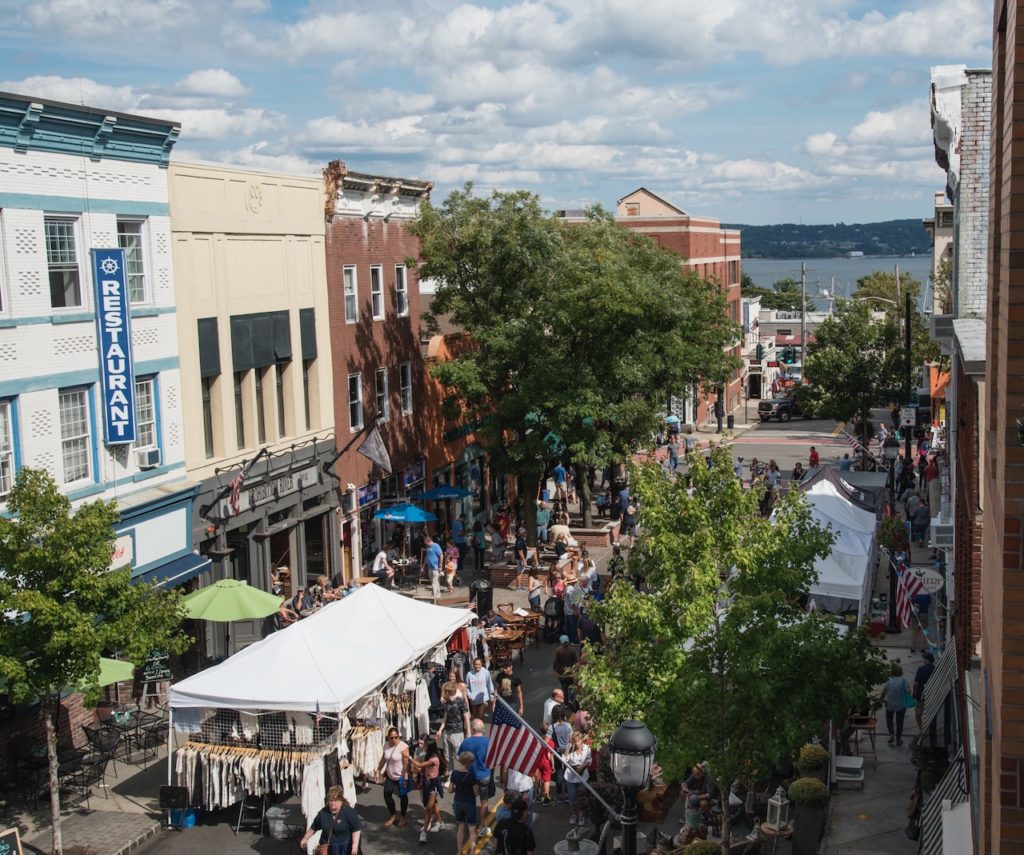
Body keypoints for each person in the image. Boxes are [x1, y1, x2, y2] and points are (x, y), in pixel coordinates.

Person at [299, 785, 363, 855]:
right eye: (331, 800)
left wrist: (355, 845)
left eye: (336, 800)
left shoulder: (348, 812)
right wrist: (305, 838)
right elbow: (314, 827)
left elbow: (356, 828)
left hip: (344, 848)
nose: (333, 804)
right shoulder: (323, 813)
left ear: (341, 800)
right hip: (327, 848)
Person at [459, 719, 493, 840]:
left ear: (473, 729)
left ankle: (471, 823)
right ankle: (482, 825)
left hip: (469, 776)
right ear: (482, 729)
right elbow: (492, 758)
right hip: (484, 776)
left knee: (470, 800)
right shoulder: (487, 742)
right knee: (484, 802)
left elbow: (460, 757)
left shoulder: (466, 742)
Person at [410, 738, 445, 842]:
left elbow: (420, 765)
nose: (423, 746)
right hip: (426, 783)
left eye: (425, 745)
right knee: (433, 804)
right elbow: (422, 768)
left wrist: (409, 758)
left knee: (429, 808)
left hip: (433, 784)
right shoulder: (428, 756)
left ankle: (424, 832)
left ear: (429, 747)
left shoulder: (434, 759)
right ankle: (440, 822)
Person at [375, 726, 410, 828]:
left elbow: (406, 764)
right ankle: (393, 815)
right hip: (390, 775)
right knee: (387, 794)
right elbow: (384, 759)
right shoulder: (386, 745)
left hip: (401, 775)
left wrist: (406, 778)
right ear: (388, 737)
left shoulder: (403, 747)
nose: (394, 739)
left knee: (403, 797)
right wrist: (378, 770)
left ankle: (403, 817)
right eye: (392, 738)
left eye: (396, 737)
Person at [436, 681, 471, 774]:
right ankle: (452, 777)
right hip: (447, 732)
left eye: (444, 692)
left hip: (457, 732)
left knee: (458, 756)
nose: (443, 695)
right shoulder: (447, 702)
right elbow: (445, 718)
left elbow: (466, 717)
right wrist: (440, 730)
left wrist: (468, 732)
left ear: (448, 692)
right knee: (447, 756)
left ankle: (465, 773)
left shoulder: (460, 701)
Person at [450, 751, 480, 854]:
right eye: (471, 761)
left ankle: (459, 852)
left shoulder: (454, 773)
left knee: (460, 827)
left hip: (458, 801)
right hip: (469, 803)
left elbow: (450, 790)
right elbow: (476, 793)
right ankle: (472, 852)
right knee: (472, 830)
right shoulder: (471, 775)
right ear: (468, 762)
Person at [562, 730, 592, 827]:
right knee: (572, 797)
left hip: (582, 776)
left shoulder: (587, 749)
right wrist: (568, 749)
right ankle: (574, 814)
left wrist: (582, 766)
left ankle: (581, 815)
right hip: (571, 777)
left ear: (581, 740)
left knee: (582, 797)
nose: (577, 743)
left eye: (578, 741)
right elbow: (564, 761)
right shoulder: (571, 749)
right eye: (575, 741)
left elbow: (589, 760)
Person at [883, 661, 911, 747]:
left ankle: (891, 734)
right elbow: (909, 691)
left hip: (890, 703)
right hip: (900, 705)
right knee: (899, 722)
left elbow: (884, 691)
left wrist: (881, 698)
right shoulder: (903, 680)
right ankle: (898, 740)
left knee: (889, 718)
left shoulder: (888, 681)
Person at [912, 653, 937, 746]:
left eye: (924, 659)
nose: (923, 661)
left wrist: (914, 692)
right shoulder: (936, 670)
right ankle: (929, 730)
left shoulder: (921, 669)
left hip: (921, 696)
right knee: (930, 714)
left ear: (927, 660)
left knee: (918, 714)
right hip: (932, 696)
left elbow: (915, 683)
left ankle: (922, 729)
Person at [553, 636, 579, 710]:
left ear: (561, 642)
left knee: (564, 688)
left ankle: (566, 703)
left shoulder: (558, 650)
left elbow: (555, 662)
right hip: (570, 673)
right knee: (571, 688)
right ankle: (572, 701)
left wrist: (554, 669)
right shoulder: (572, 650)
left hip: (561, 673)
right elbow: (576, 661)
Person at [910, 589, 932, 654]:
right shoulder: (926, 592)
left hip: (915, 613)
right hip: (924, 613)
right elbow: (929, 602)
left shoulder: (914, 591)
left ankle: (913, 649)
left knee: (914, 632)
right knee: (923, 632)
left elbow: (911, 601)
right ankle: (922, 649)